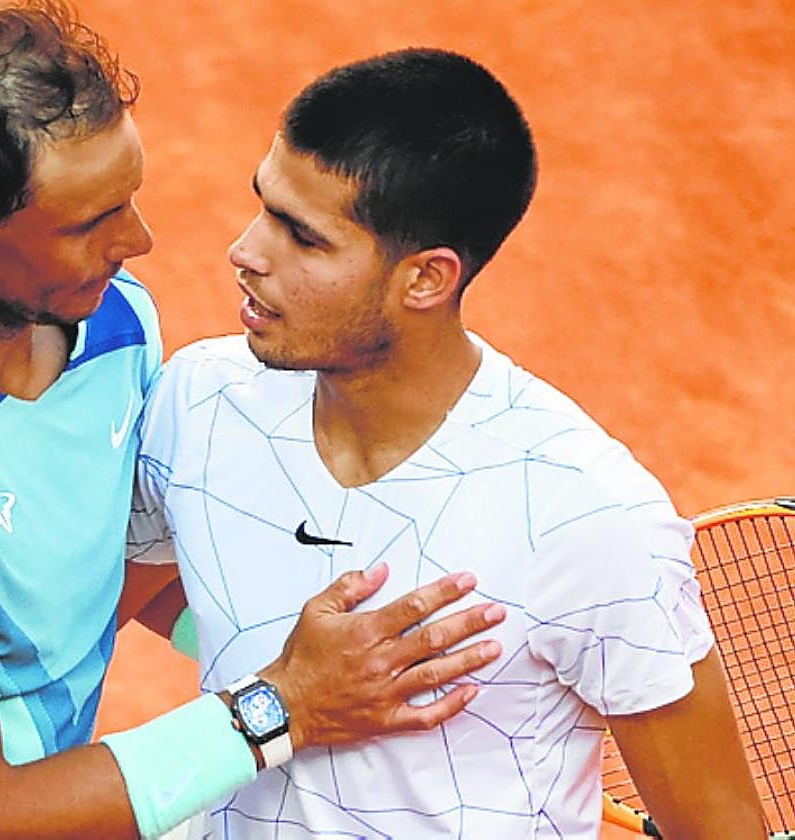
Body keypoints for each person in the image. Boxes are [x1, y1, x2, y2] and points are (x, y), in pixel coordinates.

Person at [0, 4, 507, 838]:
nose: (140, 241)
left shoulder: (111, 325)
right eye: (91, 223)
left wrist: (362, 668)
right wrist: (286, 701)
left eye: (129, 199)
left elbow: (95, 583)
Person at [130, 48, 767, 838]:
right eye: (263, 206)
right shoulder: (200, 402)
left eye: (304, 237)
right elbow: (124, 595)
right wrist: (301, 683)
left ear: (426, 279)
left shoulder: (585, 516)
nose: (247, 251)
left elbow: (718, 826)